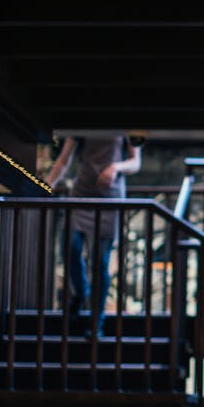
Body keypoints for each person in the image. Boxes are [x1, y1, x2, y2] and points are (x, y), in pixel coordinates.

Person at [46, 135, 142, 337]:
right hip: (81, 193)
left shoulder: (129, 121)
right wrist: (46, 186)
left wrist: (115, 168)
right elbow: (64, 159)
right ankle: (81, 292)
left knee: (100, 263)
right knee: (70, 248)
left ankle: (96, 322)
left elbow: (135, 162)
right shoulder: (85, 117)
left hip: (110, 198)